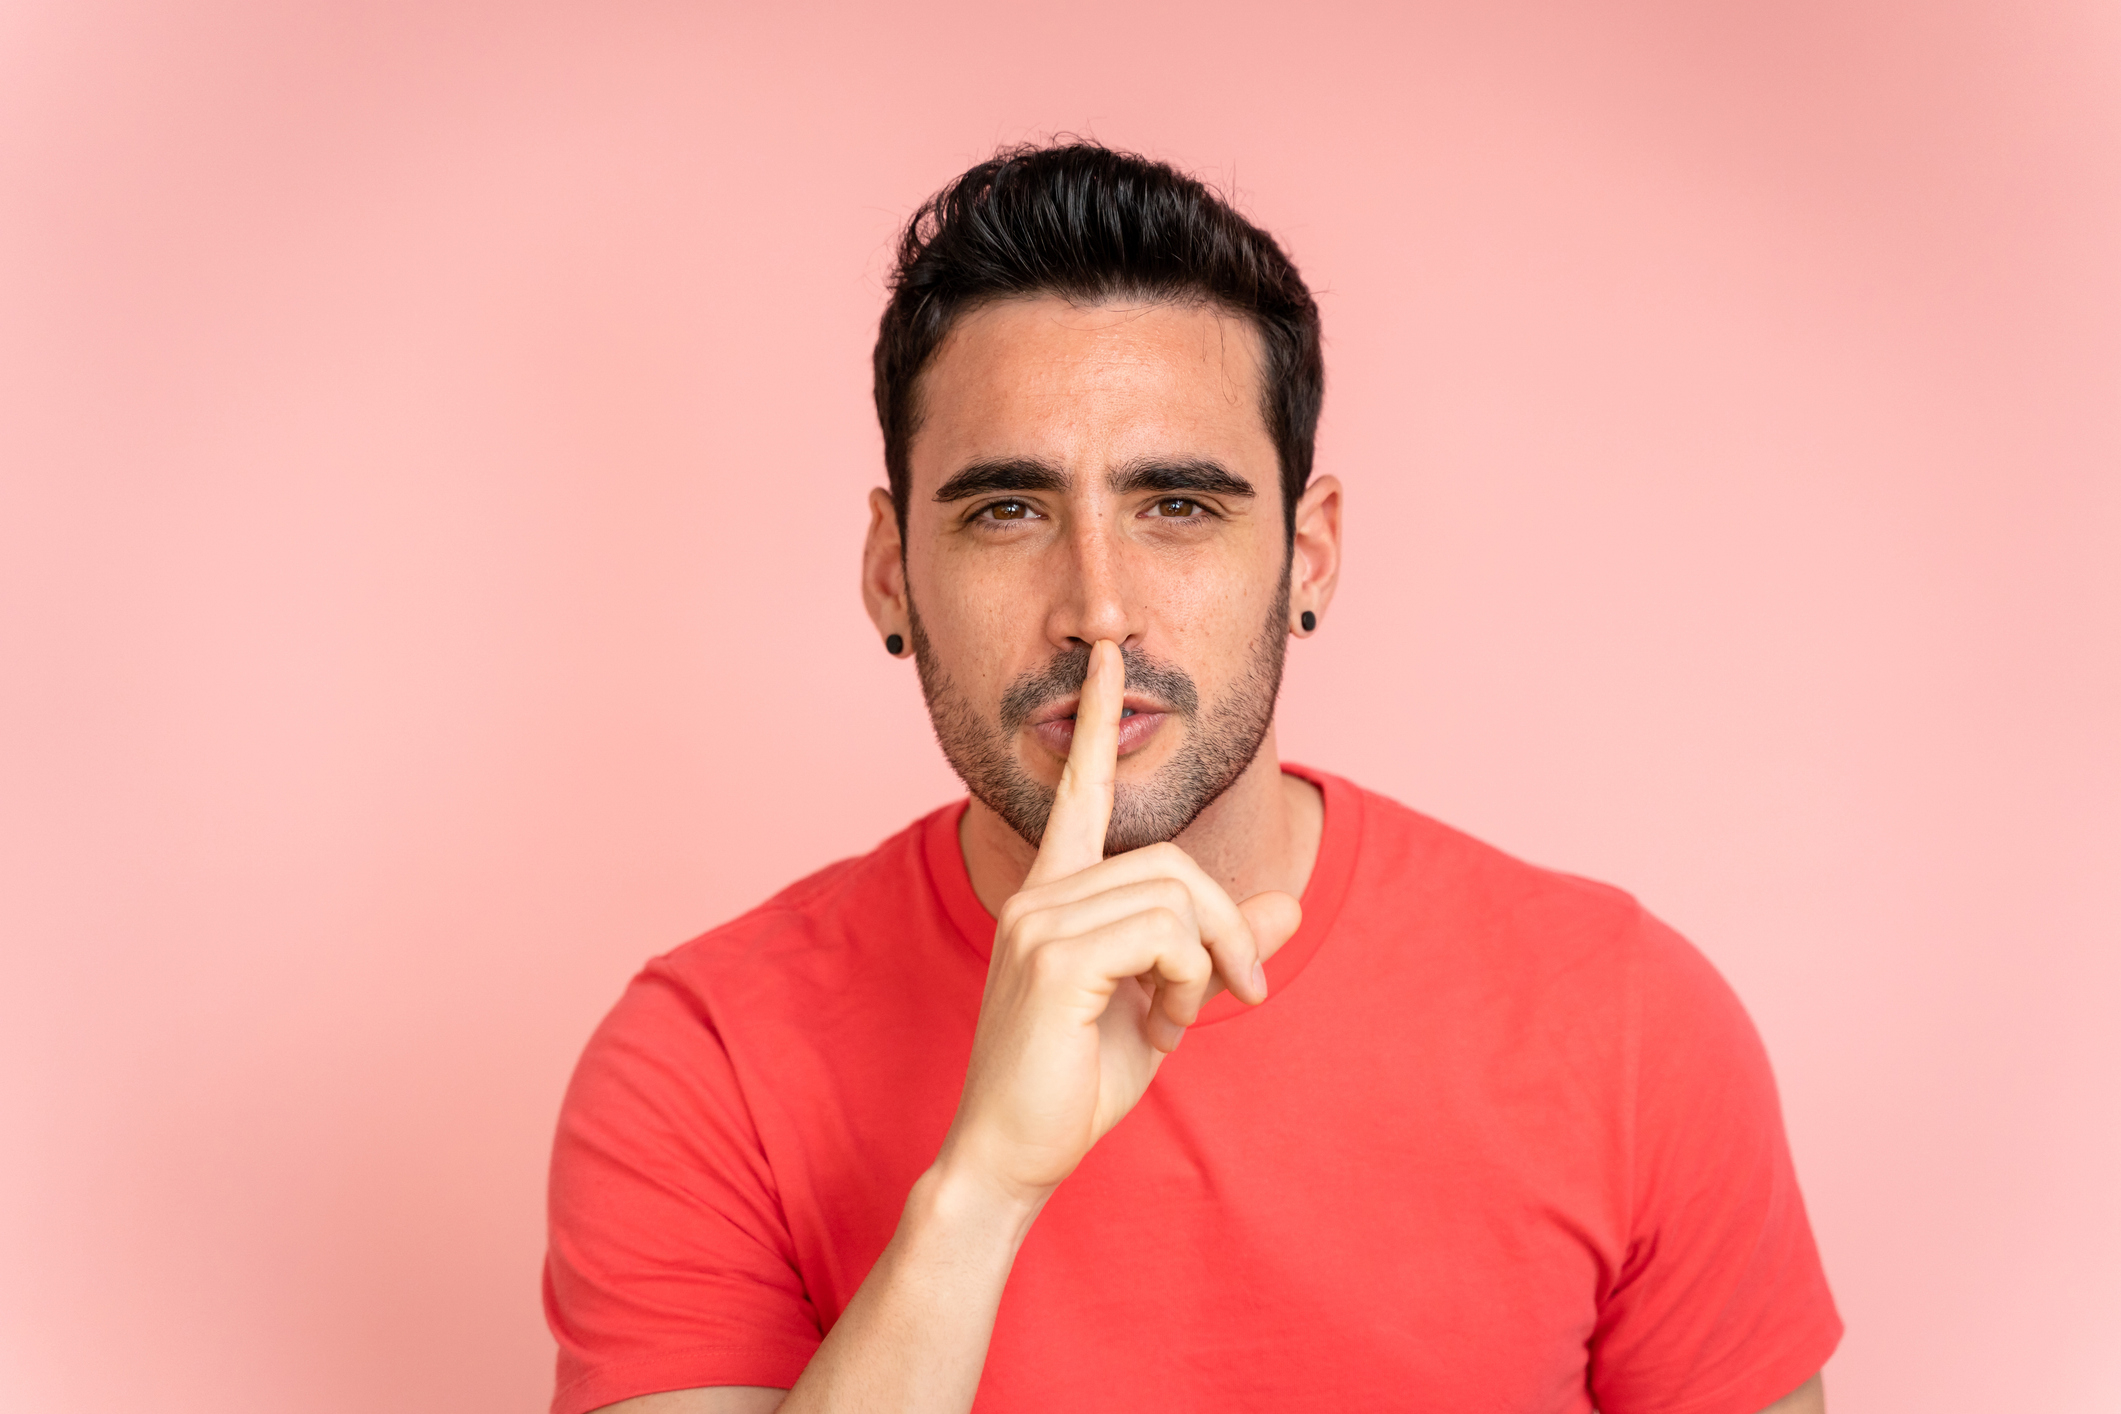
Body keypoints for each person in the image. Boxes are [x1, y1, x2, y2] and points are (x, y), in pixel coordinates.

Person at [542, 142, 1840, 1414]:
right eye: (1006, 510)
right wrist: (979, 1192)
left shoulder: (1624, 1020)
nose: (1098, 611)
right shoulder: (701, 1060)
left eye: (1179, 507)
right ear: (891, 574)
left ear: (1307, 557)